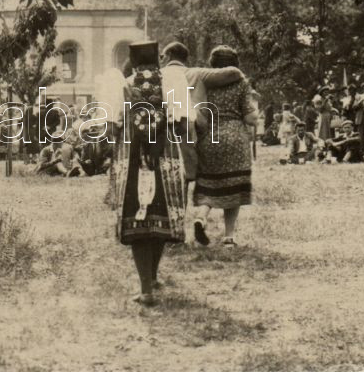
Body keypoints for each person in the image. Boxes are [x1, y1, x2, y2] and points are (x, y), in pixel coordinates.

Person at [109, 41, 186, 306]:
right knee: (159, 214)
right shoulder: (170, 84)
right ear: (157, 59)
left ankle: (146, 290)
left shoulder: (126, 85)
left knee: (138, 218)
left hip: (134, 159)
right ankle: (152, 277)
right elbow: (182, 121)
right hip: (164, 160)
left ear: (133, 60)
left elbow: (115, 125)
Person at [159, 41, 243, 211]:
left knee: (170, 174)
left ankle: (175, 216)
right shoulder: (196, 73)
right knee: (193, 173)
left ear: (168, 56)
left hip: (161, 130)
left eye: (162, 56)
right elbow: (234, 73)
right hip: (193, 131)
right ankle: (200, 214)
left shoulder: (156, 75)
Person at [194, 46, 257, 248]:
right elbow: (250, 117)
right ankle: (229, 236)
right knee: (234, 186)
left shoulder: (203, 83)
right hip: (235, 137)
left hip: (209, 137)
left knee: (209, 183)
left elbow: (199, 112)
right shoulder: (242, 83)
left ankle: (201, 217)